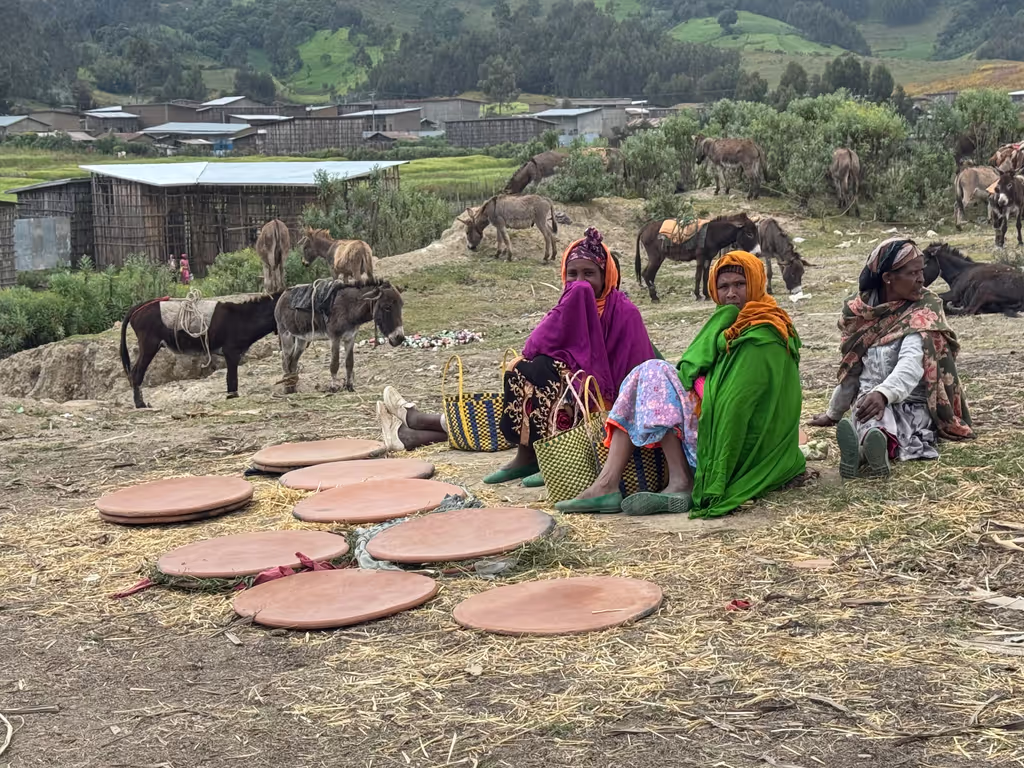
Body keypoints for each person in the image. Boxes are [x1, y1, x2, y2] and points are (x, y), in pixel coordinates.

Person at [376, 228, 655, 485]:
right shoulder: (572, 306)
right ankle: (529, 455)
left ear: (605, 276)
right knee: (523, 367)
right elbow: (533, 346)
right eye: (573, 275)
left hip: (608, 404)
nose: (579, 283)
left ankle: (561, 460)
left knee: (556, 377)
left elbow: (634, 376)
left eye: (589, 274)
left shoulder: (623, 313)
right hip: (580, 393)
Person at [556, 250, 806, 517]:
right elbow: (696, 372)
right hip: (714, 419)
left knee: (654, 374)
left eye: (739, 284)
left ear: (756, 283)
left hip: (738, 447)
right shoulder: (729, 326)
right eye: (723, 287)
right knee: (649, 372)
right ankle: (608, 483)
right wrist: (696, 388)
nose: (731, 294)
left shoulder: (763, 331)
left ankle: (679, 482)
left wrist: (717, 474)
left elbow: (737, 404)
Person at [808, 238, 973, 478]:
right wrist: (833, 413)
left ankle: (870, 453)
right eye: (913, 273)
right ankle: (867, 452)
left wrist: (884, 393)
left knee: (904, 425)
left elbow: (911, 364)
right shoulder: (860, 313)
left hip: (912, 399)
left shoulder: (923, 310)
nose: (921, 279)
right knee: (872, 418)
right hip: (871, 399)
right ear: (888, 278)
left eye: (921, 271)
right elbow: (852, 371)